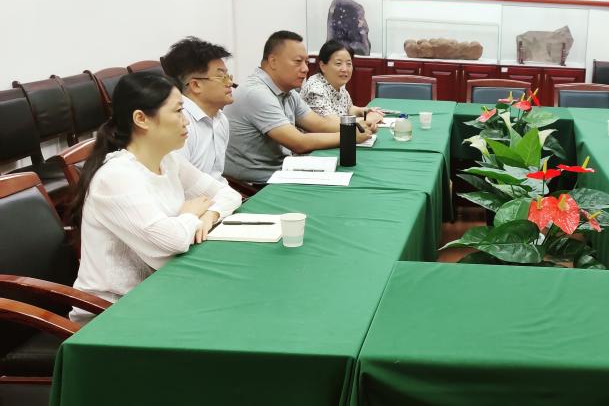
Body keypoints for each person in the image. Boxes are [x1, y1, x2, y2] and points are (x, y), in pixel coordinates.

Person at [69, 72, 242, 322]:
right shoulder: (116, 177)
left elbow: (228, 195)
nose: (186, 121)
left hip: (162, 290)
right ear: (141, 119)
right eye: (178, 111)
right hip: (112, 312)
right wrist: (190, 214)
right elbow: (171, 242)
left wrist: (209, 215)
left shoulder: (169, 160)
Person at [223, 31, 380, 183]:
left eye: (306, 62)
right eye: (298, 62)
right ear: (273, 61)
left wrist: (359, 126)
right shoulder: (257, 93)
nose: (305, 69)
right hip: (258, 183)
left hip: (283, 169)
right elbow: (299, 143)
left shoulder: (288, 92)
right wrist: (350, 137)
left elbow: (320, 124)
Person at [161, 36, 234, 181]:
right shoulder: (179, 124)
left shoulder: (220, 119)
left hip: (217, 192)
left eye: (228, 76)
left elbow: (217, 176)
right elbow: (179, 184)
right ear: (195, 85)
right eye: (222, 77)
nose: (230, 83)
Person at [300, 39, 380, 119]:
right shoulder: (315, 90)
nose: (345, 69)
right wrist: (367, 120)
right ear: (323, 66)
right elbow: (331, 122)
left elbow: (348, 109)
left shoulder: (336, 83)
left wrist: (362, 111)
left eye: (349, 64)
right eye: (338, 63)